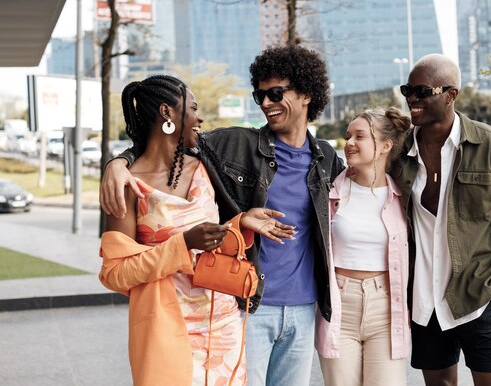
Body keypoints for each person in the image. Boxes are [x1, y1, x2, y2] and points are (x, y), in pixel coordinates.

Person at [99, 46, 344, 386]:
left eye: (275, 93)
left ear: (305, 93)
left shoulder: (327, 160)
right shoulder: (235, 145)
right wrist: (117, 162)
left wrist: (239, 222)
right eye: (259, 95)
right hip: (248, 306)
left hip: (299, 308)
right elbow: (163, 145)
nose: (266, 103)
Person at [392, 54, 491, 386]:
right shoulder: (400, 153)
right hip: (425, 302)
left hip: (478, 297)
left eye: (422, 91)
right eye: (407, 90)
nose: (412, 98)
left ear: (451, 94)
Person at [315, 107, 412, 386]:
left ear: (385, 146)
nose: (350, 143)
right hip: (340, 305)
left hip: (386, 307)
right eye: (348, 136)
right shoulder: (330, 191)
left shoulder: (402, 196)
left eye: (360, 136)